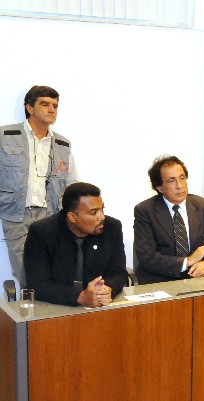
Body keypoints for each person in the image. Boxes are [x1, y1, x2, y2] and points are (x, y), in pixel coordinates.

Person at [0, 85, 78, 288]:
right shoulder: (5, 136)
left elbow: (72, 183)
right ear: (29, 108)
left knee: (52, 268)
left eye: (55, 105)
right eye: (45, 104)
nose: (52, 109)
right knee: (25, 271)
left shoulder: (62, 144)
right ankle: (31, 307)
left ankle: (50, 306)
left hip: (51, 215)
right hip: (16, 215)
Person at [23, 183, 127, 307]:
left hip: (99, 307)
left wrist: (108, 289)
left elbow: (118, 272)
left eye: (102, 209)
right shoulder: (42, 232)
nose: (102, 217)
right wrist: (80, 297)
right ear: (72, 217)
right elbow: (37, 284)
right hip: (57, 306)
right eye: (94, 212)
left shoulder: (112, 228)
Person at [133, 155, 204, 284]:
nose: (179, 185)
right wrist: (188, 261)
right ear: (159, 187)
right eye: (171, 180)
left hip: (200, 280)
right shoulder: (145, 211)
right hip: (162, 281)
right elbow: (147, 256)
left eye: (182, 178)